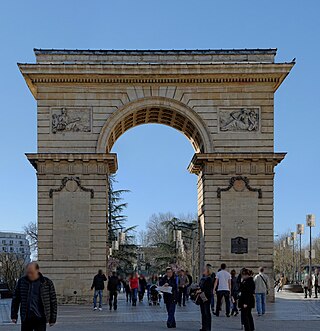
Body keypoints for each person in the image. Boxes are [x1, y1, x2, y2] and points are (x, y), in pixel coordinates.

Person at [11, 262, 57, 331]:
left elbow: (53, 301)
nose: (29, 275)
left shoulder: (46, 283)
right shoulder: (21, 282)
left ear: (37, 270)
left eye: (31, 272)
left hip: (41, 317)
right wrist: (14, 315)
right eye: (28, 272)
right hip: (26, 317)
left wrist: (53, 318)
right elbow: (16, 299)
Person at [198, 265, 213, 331]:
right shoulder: (203, 278)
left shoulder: (209, 279)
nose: (203, 270)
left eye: (204, 269)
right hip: (202, 297)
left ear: (208, 271)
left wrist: (201, 290)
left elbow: (208, 289)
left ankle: (207, 328)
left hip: (206, 298)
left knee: (206, 313)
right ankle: (204, 327)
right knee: (203, 313)